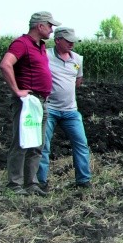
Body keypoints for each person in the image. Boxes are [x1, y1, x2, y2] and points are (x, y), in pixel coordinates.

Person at [0, 11, 59, 196]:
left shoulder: (40, 46)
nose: (51, 30)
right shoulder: (21, 44)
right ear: (39, 26)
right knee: (21, 142)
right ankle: (15, 185)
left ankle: (31, 183)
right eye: (50, 25)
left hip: (41, 102)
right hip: (28, 102)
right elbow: (5, 64)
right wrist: (17, 91)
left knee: (36, 143)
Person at [38, 27, 92, 189]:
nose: (71, 44)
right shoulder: (45, 56)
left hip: (70, 110)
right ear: (57, 40)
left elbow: (78, 79)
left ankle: (83, 180)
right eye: (68, 41)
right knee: (43, 146)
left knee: (81, 144)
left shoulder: (77, 59)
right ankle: (40, 182)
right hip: (49, 108)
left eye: (73, 41)